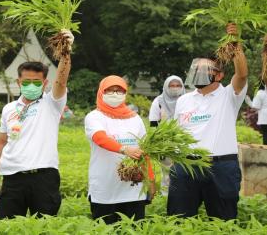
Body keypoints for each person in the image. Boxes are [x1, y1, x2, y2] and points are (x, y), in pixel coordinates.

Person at [0, 30, 73, 219]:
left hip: (43, 177)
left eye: (37, 82)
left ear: (44, 83)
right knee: (8, 226)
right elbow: (1, 142)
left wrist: (66, 52)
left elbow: (62, 79)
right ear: (19, 82)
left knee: (44, 226)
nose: (31, 86)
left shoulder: (52, 103)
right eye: (27, 82)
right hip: (12, 177)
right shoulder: (9, 109)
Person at [168, 23, 248, 220]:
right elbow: (177, 134)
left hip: (220, 167)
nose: (199, 72)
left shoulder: (229, 95)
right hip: (185, 166)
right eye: (197, 68)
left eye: (206, 69)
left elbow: (242, 74)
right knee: (178, 219)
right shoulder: (184, 100)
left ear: (219, 75)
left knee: (223, 220)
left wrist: (234, 43)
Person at [84, 75, 156, 224]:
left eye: (119, 91)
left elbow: (144, 152)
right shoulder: (94, 117)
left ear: (125, 94)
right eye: (109, 91)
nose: (115, 94)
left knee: (134, 229)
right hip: (105, 189)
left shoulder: (135, 119)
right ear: (101, 92)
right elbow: (100, 138)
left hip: (133, 190)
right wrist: (124, 149)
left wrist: (151, 180)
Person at [149, 75, 185, 193]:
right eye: (172, 86)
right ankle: (166, 198)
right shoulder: (159, 101)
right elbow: (153, 125)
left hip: (185, 141)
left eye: (178, 85)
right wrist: (157, 146)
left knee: (185, 171)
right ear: (166, 87)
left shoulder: (188, 100)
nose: (175, 88)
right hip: (166, 143)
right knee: (167, 173)